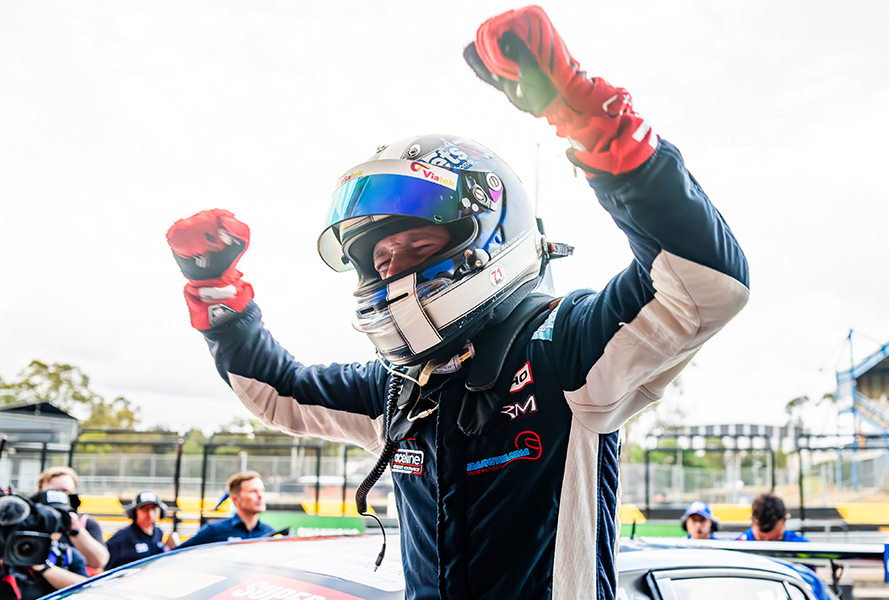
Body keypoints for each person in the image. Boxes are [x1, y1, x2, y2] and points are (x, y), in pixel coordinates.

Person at [165, 6, 749, 599]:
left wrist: (592, 121)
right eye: (380, 259)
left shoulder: (562, 349)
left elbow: (704, 280)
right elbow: (276, 392)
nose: (393, 270)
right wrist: (219, 295)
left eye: (416, 244)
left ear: (490, 240)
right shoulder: (398, 387)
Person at [10, 490, 89, 600]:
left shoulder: (67, 554)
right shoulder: (8, 548)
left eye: (62, 519)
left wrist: (44, 567)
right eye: (48, 517)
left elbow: (87, 590)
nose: (55, 524)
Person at [36, 466, 109, 571]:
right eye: (53, 491)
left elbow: (100, 561)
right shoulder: (28, 520)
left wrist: (75, 530)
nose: (59, 497)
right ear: (39, 492)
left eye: (66, 493)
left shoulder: (85, 523)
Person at [176, 472, 273, 548]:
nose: (260, 495)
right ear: (236, 499)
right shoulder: (214, 530)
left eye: (262, 490)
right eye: (253, 491)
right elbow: (176, 554)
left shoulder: (270, 533)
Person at [105, 491, 169, 570]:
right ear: (134, 512)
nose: (150, 514)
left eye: (154, 508)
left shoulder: (158, 532)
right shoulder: (121, 538)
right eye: (145, 509)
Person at [737, 493, 809, 542]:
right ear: (751, 519)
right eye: (761, 538)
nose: (768, 543)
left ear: (786, 518)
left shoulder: (799, 546)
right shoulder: (737, 547)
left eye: (777, 538)